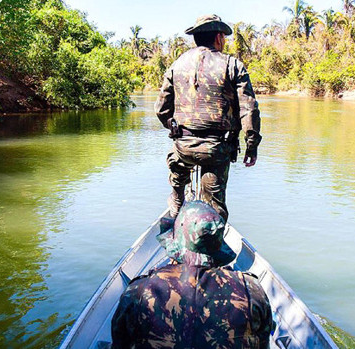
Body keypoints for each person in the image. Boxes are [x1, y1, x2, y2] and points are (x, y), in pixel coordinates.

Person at [111, 200, 274, 349]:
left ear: (175, 244)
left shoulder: (138, 292)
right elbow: (262, 343)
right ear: (218, 244)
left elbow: (119, 343)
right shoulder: (251, 291)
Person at [154, 14, 262, 222]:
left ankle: (177, 202)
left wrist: (176, 131)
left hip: (183, 147)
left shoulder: (177, 64)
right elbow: (249, 110)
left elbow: (161, 109)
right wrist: (252, 146)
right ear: (219, 37)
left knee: (177, 176)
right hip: (216, 149)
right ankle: (211, 242)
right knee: (214, 208)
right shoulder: (232, 65)